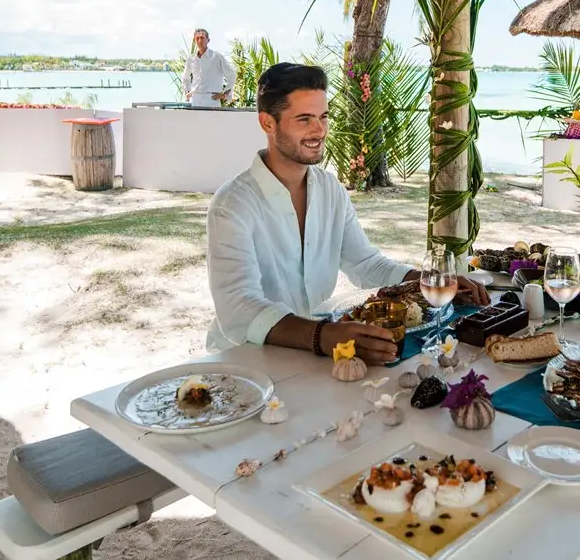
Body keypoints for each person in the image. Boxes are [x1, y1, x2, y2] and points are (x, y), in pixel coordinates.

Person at [205, 62, 488, 363]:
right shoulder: (233, 204)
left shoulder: (330, 189)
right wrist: (322, 335)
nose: (320, 130)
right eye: (304, 119)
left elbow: (365, 263)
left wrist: (429, 282)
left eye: (323, 117)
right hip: (245, 362)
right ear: (267, 123)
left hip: (314, 358)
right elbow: (238, 307)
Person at [182, 28, 235, 108]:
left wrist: (225, 94)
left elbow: (232, 75)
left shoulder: (217, 57)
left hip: (212, 101)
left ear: (208, 40)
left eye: (202, 38)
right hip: (195, 101)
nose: (200, 41)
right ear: (194, 40)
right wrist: (187, 91)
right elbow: (185, 78)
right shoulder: (191, 59)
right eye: (197, 38)